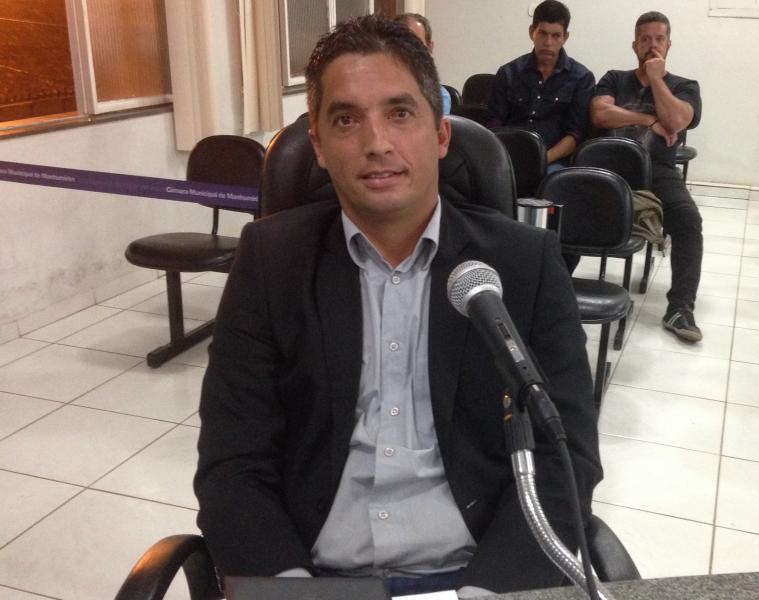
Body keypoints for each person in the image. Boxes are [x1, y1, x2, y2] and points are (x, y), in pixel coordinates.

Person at [194, 15, 602, 598]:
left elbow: (568, 459)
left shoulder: (524, 264)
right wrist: (288, 587)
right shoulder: (269, 261)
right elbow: (231, 462)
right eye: (346, 119)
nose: (377, 143)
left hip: (475, 576)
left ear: (441, 135)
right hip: (313, 577)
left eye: (400, 113)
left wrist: (489, 591)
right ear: (318, 146)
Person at [591, 11, 703, 342]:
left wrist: (656, 79)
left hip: (658, 170)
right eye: (645, 39)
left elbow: (677, 120)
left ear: (669, 44)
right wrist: (649, 120)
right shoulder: (614, 78)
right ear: (634, 45)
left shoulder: (684, 86)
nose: (652, 45)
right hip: (610, 166)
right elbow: (600, 114)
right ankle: (554, 294)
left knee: (688, 220)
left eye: (659, 39)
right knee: (567, 208)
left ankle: (680, 308)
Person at [487, 0, 594, 170]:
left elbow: (575, 135)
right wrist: (506, 159)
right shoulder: (508, 73)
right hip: (509, 158)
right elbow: (494, 124)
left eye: (556, 35)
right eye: (542, 33)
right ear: (532, 32)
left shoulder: (581, 78)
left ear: (565, 37)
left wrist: (541, 160)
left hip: (553, 161)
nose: (548, 42)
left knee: (556, 181)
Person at [395, 12, 452, 115]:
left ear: (430, 47)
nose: (409, 49)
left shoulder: (440, 97)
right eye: (401, 43)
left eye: (416, 43)